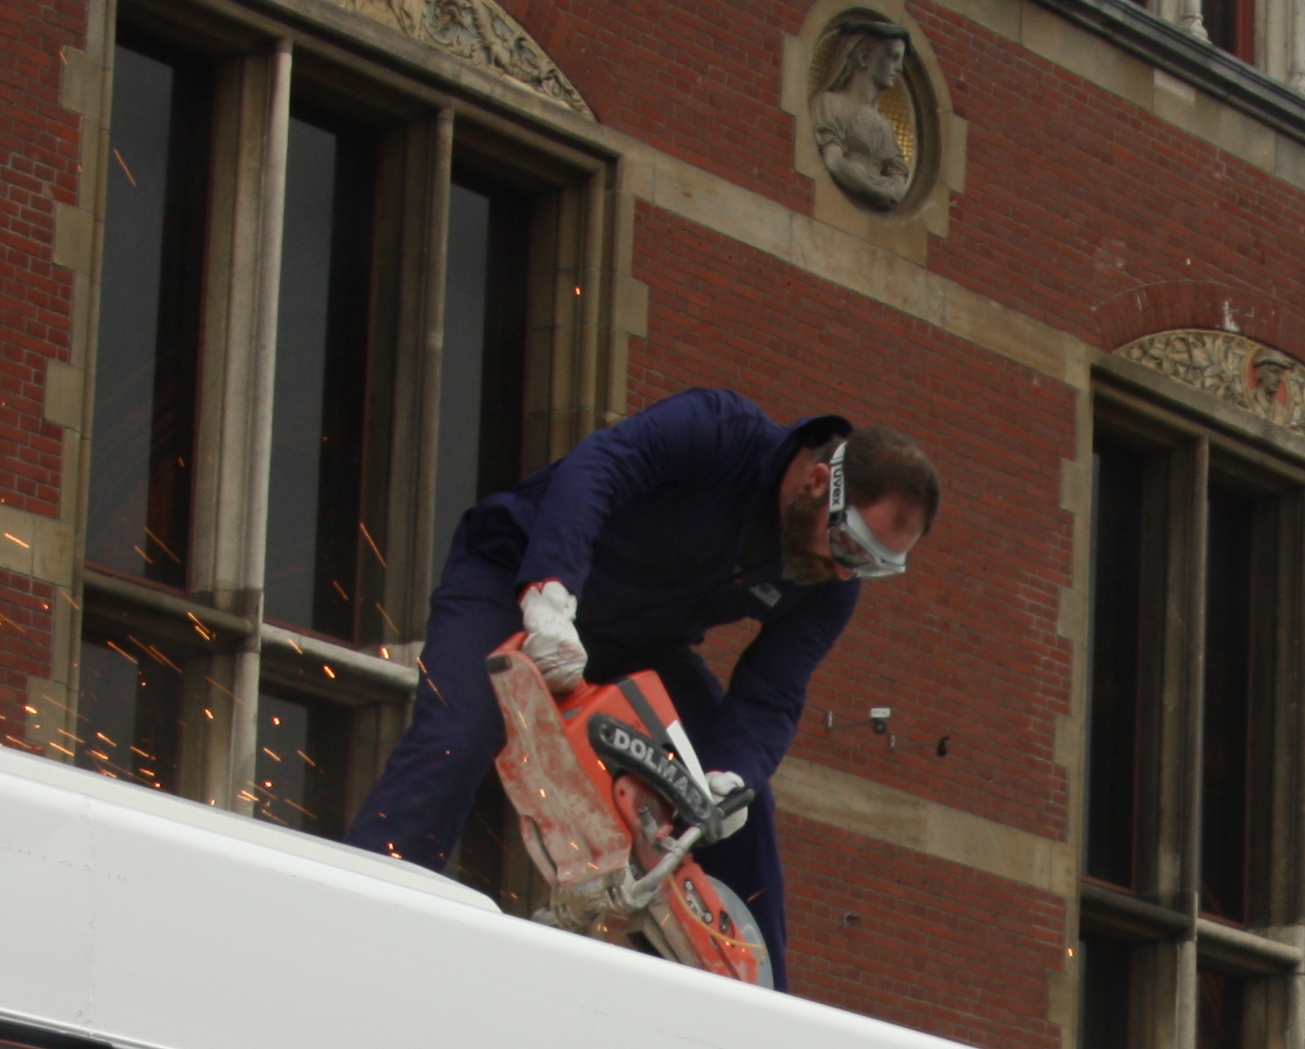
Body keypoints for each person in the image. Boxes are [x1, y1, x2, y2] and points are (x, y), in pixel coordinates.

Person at [342, 389, 941, 988]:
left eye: (874, 565)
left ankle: (748, 1004)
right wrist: (550, 591)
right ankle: (361, 910)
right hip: (514, 579)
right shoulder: (718, 430)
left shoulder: (831, 585)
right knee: (462, 730)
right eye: (847, 544)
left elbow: (774, 691)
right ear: (817, 482)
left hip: (640, 647)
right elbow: (597, 470)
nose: (845, 570)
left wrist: (734, 771)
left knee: (737, 812)